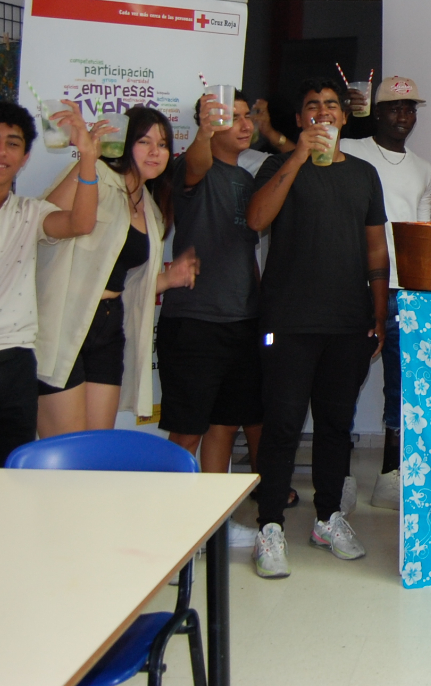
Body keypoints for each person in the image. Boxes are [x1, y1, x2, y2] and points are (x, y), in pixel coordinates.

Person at [246, 78, 388, 578]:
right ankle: (269, 526)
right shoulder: (277, 165)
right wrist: (296, 158)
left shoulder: (365, 175)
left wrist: (377, 312)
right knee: (282, 425)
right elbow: (256, 218)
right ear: (302, 119)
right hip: (288, 319)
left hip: (348, 321)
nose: (324, 114)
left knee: (335, 426)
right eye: (313, 108)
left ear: (344, 118)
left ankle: (328, 517)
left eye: (332, 107)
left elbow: (375, 249)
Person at [0, 99, 101, 468]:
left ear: (25, 157)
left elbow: (81, 223)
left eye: (12, 144)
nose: (0, 152)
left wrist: (88, 157)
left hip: (17, 365)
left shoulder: (29, 212)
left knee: (12, 472)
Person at [36, 106, 198, 436]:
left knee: (97, 449)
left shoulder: (151, 208)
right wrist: (87, 160)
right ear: (123, 143)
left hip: (109, 327)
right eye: (145, 141)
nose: (156, 151)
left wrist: (171, 278)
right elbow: (44, 221)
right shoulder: (94, 174)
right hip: (66, 320)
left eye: (164, 144)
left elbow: (129, 280)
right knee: (67, 450)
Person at [156, 90, 264, 547]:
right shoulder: (190, 166)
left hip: (241, 322)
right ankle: (171, 527)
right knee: (187, 430)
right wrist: (202, 131)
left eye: (247, 118)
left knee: (224, 425)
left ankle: (213, 524)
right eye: (232, 118)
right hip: (195, 320)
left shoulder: (247, 177)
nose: (244, 125)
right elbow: (196, 165)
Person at [338, 75, 431, 512]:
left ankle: (390, 475)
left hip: (405, 291)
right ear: (376, 113)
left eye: (410, 107)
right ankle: (337, 474)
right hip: (356, 284)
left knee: (402, 387)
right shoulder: (351, 151)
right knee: (344, 382)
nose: (403, 115)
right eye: (395, 107)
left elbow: (422, 236)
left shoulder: (424, 168)